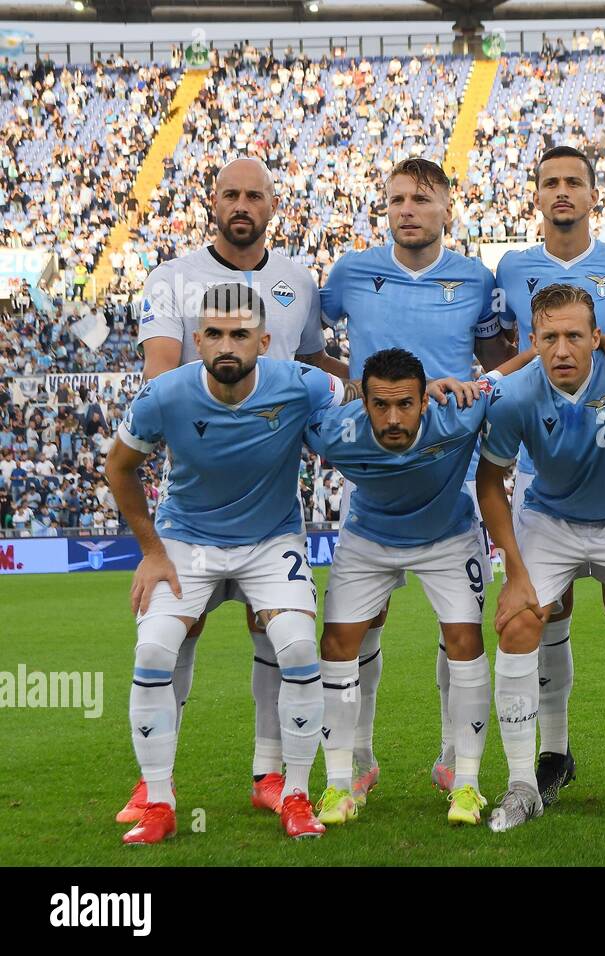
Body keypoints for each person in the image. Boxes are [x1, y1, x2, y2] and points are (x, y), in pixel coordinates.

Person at [117, 156, 348, 827]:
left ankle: (271, 772)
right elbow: (162, 372)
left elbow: (306, 366)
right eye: (230, 195)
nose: (241, 205)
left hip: (271, 510)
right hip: (192, 508)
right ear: (211, 202)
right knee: (169, 643)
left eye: (255, 195)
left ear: (273, 205)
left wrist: (384, 388)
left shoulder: (296, 279)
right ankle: (152, 785)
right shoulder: (174, 278)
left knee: (279, 637)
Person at [320, 157, 512, 804]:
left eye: (421, 200)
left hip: (449, 472)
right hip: (375, 467)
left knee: (458, 628)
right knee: (361, 624)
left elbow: (492, 363)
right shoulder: (349, 272)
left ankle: (456, 764)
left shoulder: (476, 280)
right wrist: (348, 385)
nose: (407, 209)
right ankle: (358, 761)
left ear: (446, 211)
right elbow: (302, 346)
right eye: (397, 198)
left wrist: (473, 393)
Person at [475, 283, 605, 831]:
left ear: (597, 337)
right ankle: (522, 784)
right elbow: (491, 483)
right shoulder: (515, 395)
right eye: (549, 337)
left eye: (573, 336)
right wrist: (515, 574)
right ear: (531, 341)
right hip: (552, 520)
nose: (562, 350)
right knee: (517, 621)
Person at [495, 145, 605, 805]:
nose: (562, 192)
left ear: (595, 195)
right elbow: (508, 355)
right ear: (535, 195)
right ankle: (552, 754)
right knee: (542, 611)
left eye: (574, 182)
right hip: (544, 477)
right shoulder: (509, 267)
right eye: (550, 182)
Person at [303, 349, 493, 827]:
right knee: (338, 644)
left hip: (448, 537)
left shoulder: (461, 411)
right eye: (380, 405)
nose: (393, 418)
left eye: (405, 404)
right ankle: (340, 784)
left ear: (425, 399)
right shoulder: (333, 430)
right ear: (361, 402)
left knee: (465, 642)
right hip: (370, 538)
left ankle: (466, 781)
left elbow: (516, 374)